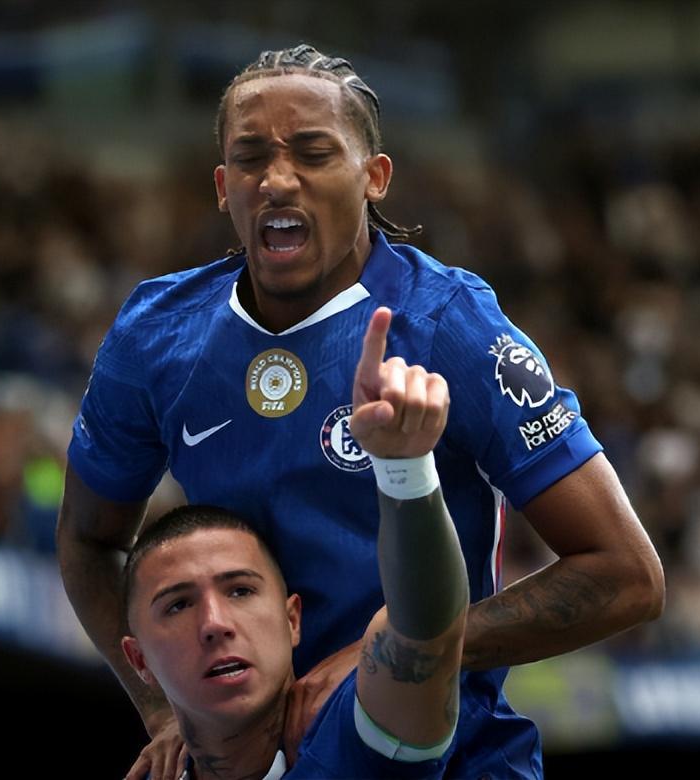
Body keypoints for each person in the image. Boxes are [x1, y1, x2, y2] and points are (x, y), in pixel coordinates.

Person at [56, 44, 665, 780]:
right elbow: (88, 539)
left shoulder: (450, 326)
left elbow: (628, 575)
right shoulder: (156, 335)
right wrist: (160, 707)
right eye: (251, 158)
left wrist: (391, 655)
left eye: (312, 153)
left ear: (374, 176)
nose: (277, 180)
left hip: (447, 758)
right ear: (222, 186)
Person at [122, 309, 467, 778]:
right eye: (178, 605)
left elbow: (424, 627)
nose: (214, 624)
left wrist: (405, 468)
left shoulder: (362, 746)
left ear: (292, 620)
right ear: (139, 660)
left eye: (240, 590)